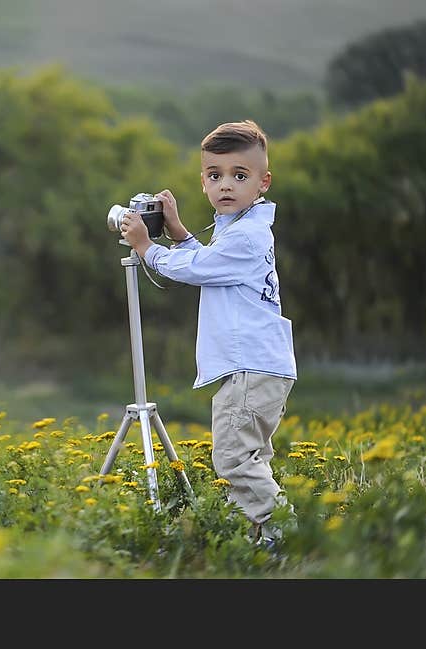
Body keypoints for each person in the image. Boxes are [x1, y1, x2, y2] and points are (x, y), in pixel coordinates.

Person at [119, 120, 297, 545]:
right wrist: (178, 231)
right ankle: (260, 536)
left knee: (234, 458)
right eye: (215, 176)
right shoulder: (238, 228)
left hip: (249, 367)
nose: (226, 186)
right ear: (203, 182)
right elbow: (211, 265)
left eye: (240, 176)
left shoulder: (248, 236)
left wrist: (147, 248)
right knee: (251, 457)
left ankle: (284, 535)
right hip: (260, 365)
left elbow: (197, 270)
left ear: (263, 182)